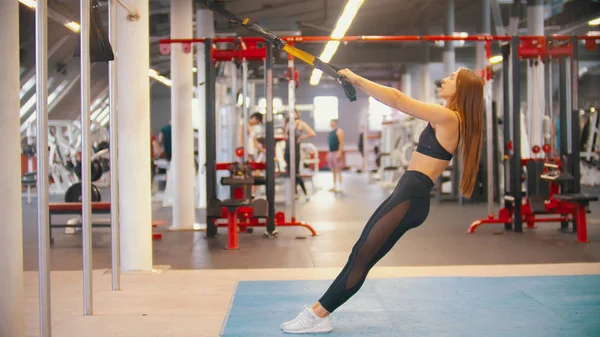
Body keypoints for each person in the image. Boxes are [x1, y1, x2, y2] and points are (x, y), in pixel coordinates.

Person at [280, 67, 484, 334]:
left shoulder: (448, 117)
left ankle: (316, 315)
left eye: (452, 78)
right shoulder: (449, 117)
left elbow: (398, 99)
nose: (445, 79)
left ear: (462, 90)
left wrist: (358, 79)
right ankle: (319, 313)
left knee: (362, 256)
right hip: (409, 193)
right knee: (361, 253)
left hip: (410, 195)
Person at [284, 110, 316, 201]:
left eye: (293, 112)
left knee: (296, 173)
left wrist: (302, 137)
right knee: (290, 173)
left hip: (295, 149)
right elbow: (285, 135)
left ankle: (305, 193)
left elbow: (312, 133)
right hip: (287, 149)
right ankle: (294, 193)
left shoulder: (300, 124)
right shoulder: (287, 124)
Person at [327, 119, 345, 192]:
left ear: (334, 123)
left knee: (338, 170)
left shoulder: (339, 131)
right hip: (331, 152)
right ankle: (334, 186)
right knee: (333, 170)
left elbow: (341, 143)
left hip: (336, 152)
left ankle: (340, 186)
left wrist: (339, 153)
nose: (330, 123)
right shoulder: (331, 132)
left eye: (331, 122)